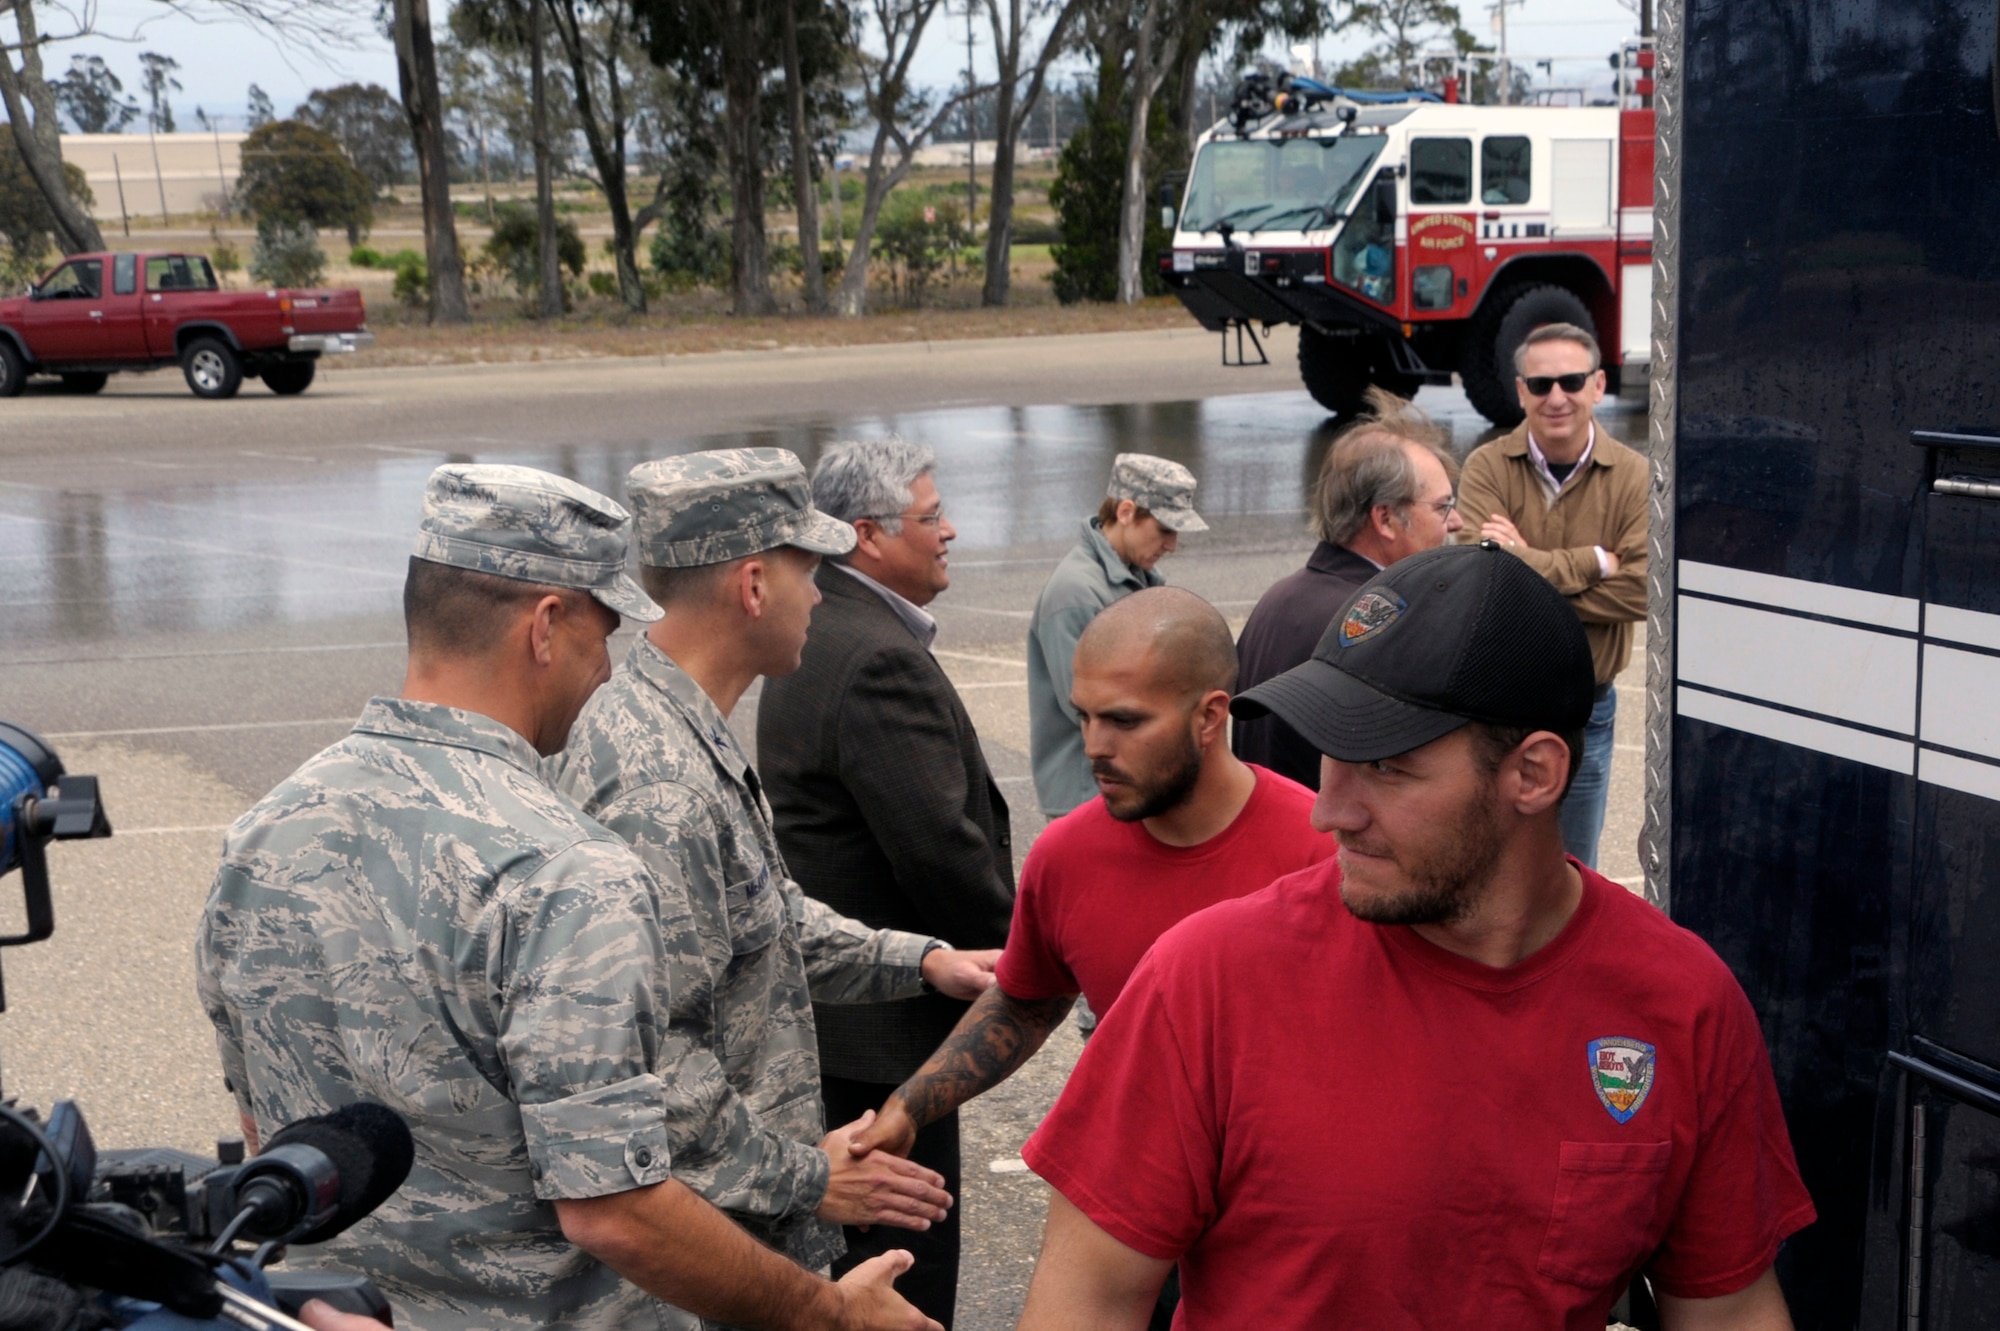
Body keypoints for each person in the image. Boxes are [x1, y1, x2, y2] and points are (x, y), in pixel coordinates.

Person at [197, 464, 935, 1331]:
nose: (605, 668)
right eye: (604, 631)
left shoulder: (261, 832)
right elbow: (613, 1208)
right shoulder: (567, 867)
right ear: (548, 626)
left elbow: (265, 1130)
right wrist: (829, 1312)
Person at [1016, 542, 1817, 1329]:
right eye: (1331, 753)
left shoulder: (1681, 1005)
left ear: (1532, 775)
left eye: (1387, 766)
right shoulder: (1208, 980)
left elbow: (1730, 1306)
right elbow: (1085, 1301)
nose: (1329, 810)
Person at [551, 449, 1003, 1288]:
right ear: (753, 586)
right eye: (807, 567)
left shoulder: (679, 722)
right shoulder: (658, 783)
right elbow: (661, 1059)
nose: (822, 590)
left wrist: (920, 960)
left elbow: (764, 913)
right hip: (707, 1243)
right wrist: (811, 1178)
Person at [852, 585, 1333, 1152]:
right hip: (1138, 1189)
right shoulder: (1066, 856)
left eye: (1124, 721)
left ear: (1210, 716)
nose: (1094, 746)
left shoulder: (1323, 855)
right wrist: (908, 1107)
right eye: (1083, 716)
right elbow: (1027, 997)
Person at [756, 439, 1015, 1329]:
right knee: (902, 1277)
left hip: (846, 1026)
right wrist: (1029, 958)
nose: (951, 531)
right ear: (866, 534)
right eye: (931, 514)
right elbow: (941, 850)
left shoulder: (826, 626)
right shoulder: (877, 657)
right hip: (884, 1044)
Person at [1456, 322, 1647, 868]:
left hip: (1587, 711)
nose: (1556, 397)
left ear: (1597, 385)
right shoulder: (1486, 468)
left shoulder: (1635, 477)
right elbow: (1480, 580)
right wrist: (1593, 562)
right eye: (1541, 385)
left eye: (1570, 381)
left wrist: (1526, 565)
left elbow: (1641, 590)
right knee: (1490, 864)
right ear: (1521, 392)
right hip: (1497, 708)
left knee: (1572, 868)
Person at [1234, 390, 1463, 788]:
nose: (1456, 522)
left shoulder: (1278, 600)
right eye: (1442, 507)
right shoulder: (1377, 621)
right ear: (1386, 518)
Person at [1026, 453, 1206, 819]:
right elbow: (1085, 705)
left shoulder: (1132, 577)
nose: (1171, 544)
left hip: (1120, 785)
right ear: (1126, 512)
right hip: (1088, 792)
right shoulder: (1076, 593)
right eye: (1164, 529)